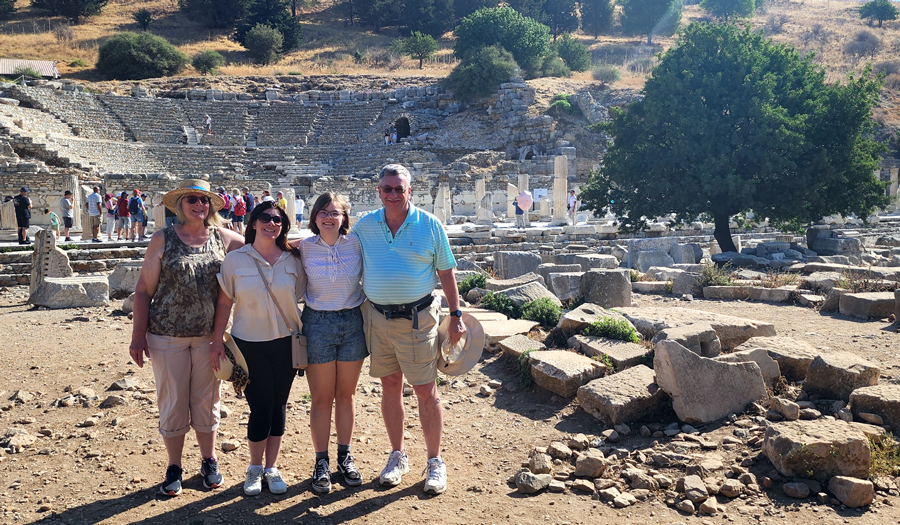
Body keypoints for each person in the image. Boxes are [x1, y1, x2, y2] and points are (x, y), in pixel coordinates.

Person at [352, 164, 466, 496]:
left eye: (398, 189)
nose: (392, 194)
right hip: (377, 318)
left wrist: (457, 315)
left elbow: (446, 273)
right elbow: (339, 251)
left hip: (418, 319)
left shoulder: (430, 225)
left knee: (425, 390)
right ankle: (397, 456)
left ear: (409, 191)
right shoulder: (366, 225)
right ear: (378, 191)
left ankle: (434, 461)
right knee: (390, 386)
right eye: (386, 189)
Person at [129, 179, 244, 497]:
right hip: (167, 336)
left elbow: (264, 246)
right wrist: (138, 335)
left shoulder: (224, 238)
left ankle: (209, 460)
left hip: (211, 337)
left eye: (204, 200)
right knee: (173, 402)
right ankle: (175, 465)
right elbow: (143, 290)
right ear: (180, 205)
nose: (199, 205)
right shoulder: (162, 239)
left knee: (207, 402)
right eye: (192, 199)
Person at [210, 201, 306, 496]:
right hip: (248, 344)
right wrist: (216, 341)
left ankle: (271, 467)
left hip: (286, 343)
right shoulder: (235, 260)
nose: (272, 224)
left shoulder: (293, 260)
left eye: (278, 220)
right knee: (261, 406)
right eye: (265, 218)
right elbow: (225, 302)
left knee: (278, 405)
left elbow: (302, 295)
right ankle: (254, 467)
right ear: (253, 223)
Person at [296, 193, 366, 494]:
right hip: (318, 323)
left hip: (352, 321)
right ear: (314, 217)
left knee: (347, 395)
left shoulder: (357, 243)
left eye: (335, 213)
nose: (328, 217)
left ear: (344, 218)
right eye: (322, 212)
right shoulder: (302, 248)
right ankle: (321, 461)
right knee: (322, 398)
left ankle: (344, 456)